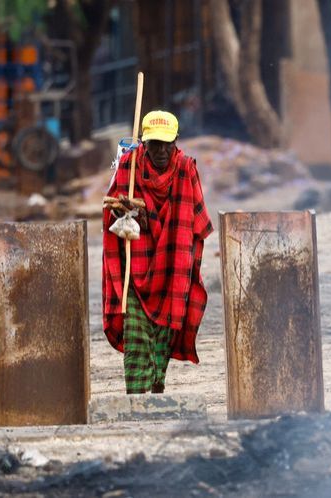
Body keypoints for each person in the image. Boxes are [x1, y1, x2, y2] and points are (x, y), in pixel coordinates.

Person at [102, 110, 213, 394]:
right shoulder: (128, 165)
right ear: (143, 143)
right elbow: (109, 212)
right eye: (154, 144)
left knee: (164, 331)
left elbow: (198, 223)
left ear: (176, 141)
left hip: (171, 265)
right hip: (135, 266)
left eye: (167, 144)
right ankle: (136, 399)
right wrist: (121, 210)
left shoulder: (186, 168)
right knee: (136, 331)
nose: (161, 151)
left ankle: (156, 389)